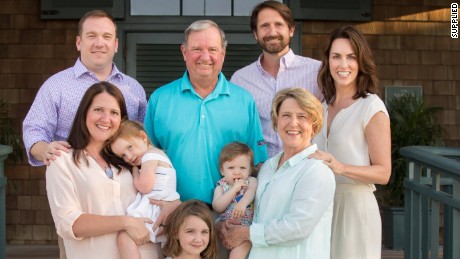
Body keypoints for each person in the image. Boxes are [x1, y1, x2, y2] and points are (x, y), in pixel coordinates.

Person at [143, 20, 268, 207]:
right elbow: (146, 158)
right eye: (196, 49)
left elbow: (258, 165)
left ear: (223, 54)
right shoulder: (160, 99)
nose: (205, 56)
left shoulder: (244, 101)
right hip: (174, 212)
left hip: (229, 217)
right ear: (184, 52)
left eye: (213, 49)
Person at [45, 82, 162, 259]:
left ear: (121, 119)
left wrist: (171, 205)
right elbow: (68, 223)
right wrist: (125, 222)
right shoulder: (62, 161)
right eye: (98, 109)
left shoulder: (130, 159)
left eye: (114, 113)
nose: (106, 119)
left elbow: (160, 192)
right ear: (84, 112)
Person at [220, 88, 335, 258]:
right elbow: (259, 214)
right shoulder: (267, 167)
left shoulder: (316, 171)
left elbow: (297, 227)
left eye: (302, 116)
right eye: (286, 115)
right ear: (276, 122)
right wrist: (229, 224)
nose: (293, 123)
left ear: (314, 125)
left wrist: (246, 233)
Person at [23, 9, 146, 167]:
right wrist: (45, 149)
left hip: (125, 183)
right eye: (91, 36)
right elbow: (34, 129)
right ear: (79, 42)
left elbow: (143, 135)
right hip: (73, 180)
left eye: (106, 36)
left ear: (115, 45)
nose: (99, 43)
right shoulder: (56, 86)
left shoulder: (133, 89)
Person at [310, 25, 391, 259]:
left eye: (351, 57)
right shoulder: (322, 106)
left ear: (361, 61)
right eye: (336, 56)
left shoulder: (371, 107)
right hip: (322, 208)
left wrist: (342, 167)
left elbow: (383, 172)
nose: (343, 65)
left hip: (356, 209)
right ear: (327, 61)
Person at [230, 1, 322, 157]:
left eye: (279, 24)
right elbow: (236, 130)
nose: (272, 32)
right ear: (255, 33)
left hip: (306, 168)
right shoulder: (240, 79)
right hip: (261, 172)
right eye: (265, 26)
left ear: (291, 30)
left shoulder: (317, 72)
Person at [104, 120, 180, 259]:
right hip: (163, 208)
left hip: (155, 210)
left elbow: (145, 186)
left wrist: (134, 172)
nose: (129, 157)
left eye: (130, 147)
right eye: (123, 156)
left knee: (124, 237)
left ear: (143, 137)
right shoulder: (158, 154)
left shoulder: (149, 156)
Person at [212, 142, 257, 259]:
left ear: (250, 170)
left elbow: (251, 193)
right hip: (225, 230)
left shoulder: (251, 181)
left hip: (245, 229)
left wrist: (243, 203)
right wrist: (233, 190)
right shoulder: (221, 186)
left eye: (242, 168)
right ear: (222, 170)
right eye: (231, 168)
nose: (237, 172)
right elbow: (217, 207)